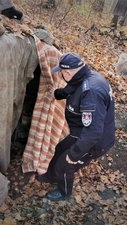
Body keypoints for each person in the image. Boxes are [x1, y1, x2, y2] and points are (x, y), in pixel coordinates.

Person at [37, 53, 115, 201]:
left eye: (62, 72)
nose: (62, 75)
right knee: (60, 149)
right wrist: (59, 93)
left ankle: (64, 192)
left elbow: (93, 133)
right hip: (81, 131)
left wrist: (74, 155)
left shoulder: (91, 92)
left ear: (67, 72)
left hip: (95, 141)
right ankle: (52, 176)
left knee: (65, 164)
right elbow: (73, 87)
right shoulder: (84, 76)